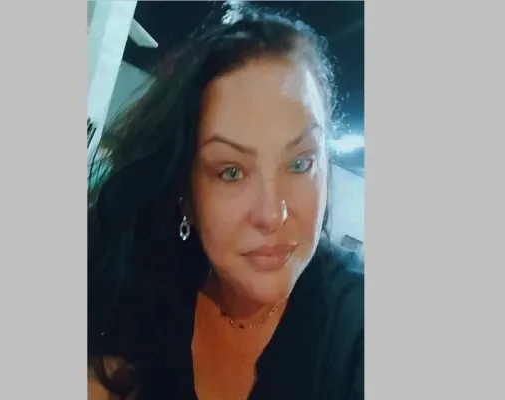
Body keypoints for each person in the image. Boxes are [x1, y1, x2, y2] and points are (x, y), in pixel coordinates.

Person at [88, 6, 363, 400]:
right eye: (232, 172)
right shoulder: (140, 280)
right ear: (185, 194)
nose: (273, 214)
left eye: (300, 164)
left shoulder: (354, 327)